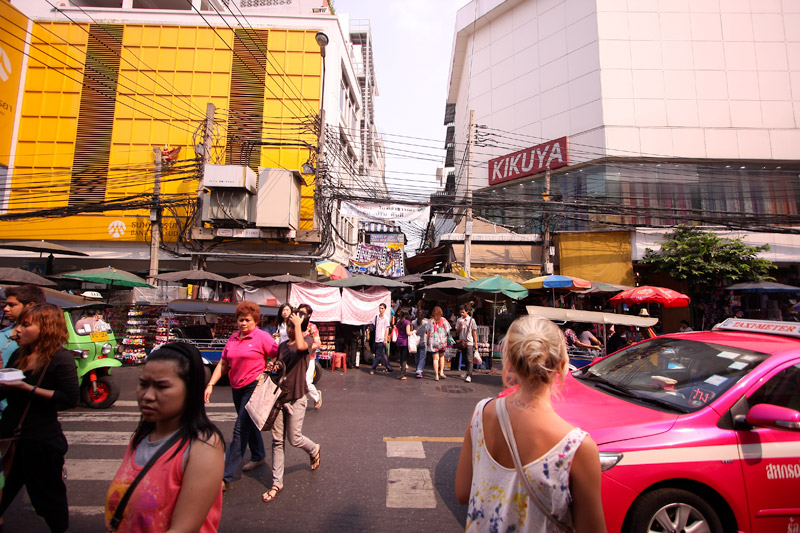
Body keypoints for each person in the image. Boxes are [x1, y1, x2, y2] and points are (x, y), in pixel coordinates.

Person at [455, 316, 605, 532]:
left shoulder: (481, 413)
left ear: (511, 362)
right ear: (563, 366)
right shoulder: (577, 447)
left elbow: (462, 492)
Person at [105, 342, 225, 532]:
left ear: (190, 391)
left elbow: (184, 528)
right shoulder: (140, 438)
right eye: (143, 384)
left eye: (162, 387)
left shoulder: (203, 447)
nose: (148, 395)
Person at [0, 304, 79, 532]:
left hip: (41, 440)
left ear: (45, 327)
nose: (18, 331)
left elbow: (69, 398)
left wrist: (27, 388)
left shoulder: (60, 358)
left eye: (25, 325)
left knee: (48, 498)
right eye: (19, 324)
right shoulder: (19, 354)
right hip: (9, 436)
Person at [204, 301, 277, 490]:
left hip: (254, 387)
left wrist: (270, 367)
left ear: (255, 321)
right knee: (249, 423)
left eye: (247, 320)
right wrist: (210, 384)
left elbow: (279, 354)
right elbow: (223, 363)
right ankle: (259, 455)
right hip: (236, 386)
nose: (243, 323)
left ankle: (226, 477)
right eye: (240, 320)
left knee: (240, 430)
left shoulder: (262, 337)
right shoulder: (233, 339)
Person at [262, 309, 321, 503]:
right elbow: (279, 364)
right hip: (280, 398)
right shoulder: (283, 346)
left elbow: (303, 347)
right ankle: (277, 482)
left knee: (294, 439)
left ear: (300, 329)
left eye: (292, 326)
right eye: (287, 325)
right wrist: (274, 367)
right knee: (277, 441)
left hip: (297, 398)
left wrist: (297, 325)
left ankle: (313, 449)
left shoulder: (308, 343)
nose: (288, 329)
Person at [1, 285, 46, 367]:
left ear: (30, 305)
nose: (6, 309)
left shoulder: (44, 341)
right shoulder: (2, 334)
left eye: (11, 305)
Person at [297, 303, 322, 409]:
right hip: (296, 359)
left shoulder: (312, 327)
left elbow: (318, 343)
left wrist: (304, 349)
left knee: (307, 382)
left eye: (303, 312)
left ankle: (317, 397)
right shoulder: (295, 326)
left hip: (309, 358)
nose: (301, 314)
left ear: (309, 315)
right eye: (299, 312)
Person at [456, 305, 478, 383]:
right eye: (460, 312)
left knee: (469, 359)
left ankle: (469, 375)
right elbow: (457, 332)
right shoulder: (459, 320)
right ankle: (466, 371)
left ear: (467, 311)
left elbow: (474, 332)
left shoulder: (471, 320)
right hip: (462, 342)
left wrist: (476, 343)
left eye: (463, 312)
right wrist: (460, 326)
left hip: (469, 342)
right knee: (465, 358)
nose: (462, 314)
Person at [369, 303, 393, 374]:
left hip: (381, 339)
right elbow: (373, 325)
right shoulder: (376, 317)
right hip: (376, 338)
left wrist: (385, 339)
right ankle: (389, 367)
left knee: (378, 355)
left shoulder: (386, 319)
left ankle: (373, 369)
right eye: (380, 308)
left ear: (385, 309)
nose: (381, 310)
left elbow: (387, 329)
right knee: (382, 354)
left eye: (382, 308)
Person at [428, 306, 450, 381]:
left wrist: (428, 340)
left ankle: (436, 375)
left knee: (435, 359)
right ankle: (441, 372)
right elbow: (448, 330)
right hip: (442, 341)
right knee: (441, 356)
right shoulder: (444, 320)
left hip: (433, 342)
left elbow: (428, 332)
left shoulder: (430, 321)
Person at [394, 310, 412, 380]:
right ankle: (402, 373)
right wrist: (413, 331)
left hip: (399, 341)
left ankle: (402, 371)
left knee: (401, 357)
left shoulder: (399, 322)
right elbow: (408, 333)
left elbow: (396, 328)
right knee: (404, 358)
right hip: (405, 341)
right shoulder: (407, 322)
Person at [411, 310, 429, 379]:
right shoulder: (426, 323)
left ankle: (417, 369)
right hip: (423, 341)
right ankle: (419, 370)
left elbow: (412, 331)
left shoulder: (413, 322)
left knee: (416, 356)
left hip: (415, 342)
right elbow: (427, 332)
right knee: (422, 357)